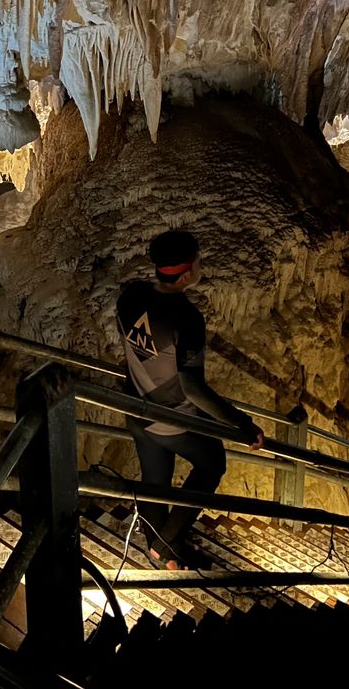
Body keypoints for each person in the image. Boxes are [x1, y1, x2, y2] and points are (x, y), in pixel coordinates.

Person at [116, 229, 265, 569]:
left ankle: (159, 551)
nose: (201, 265)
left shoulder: (130, 295)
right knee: (212, 462)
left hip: (136, 409)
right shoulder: (186, 318)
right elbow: (193, 388)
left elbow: (138, 343)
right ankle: (165, 546)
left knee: (155, 481)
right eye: (198, 260)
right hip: (170, 418)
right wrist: (242, 423)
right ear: (185, 275)